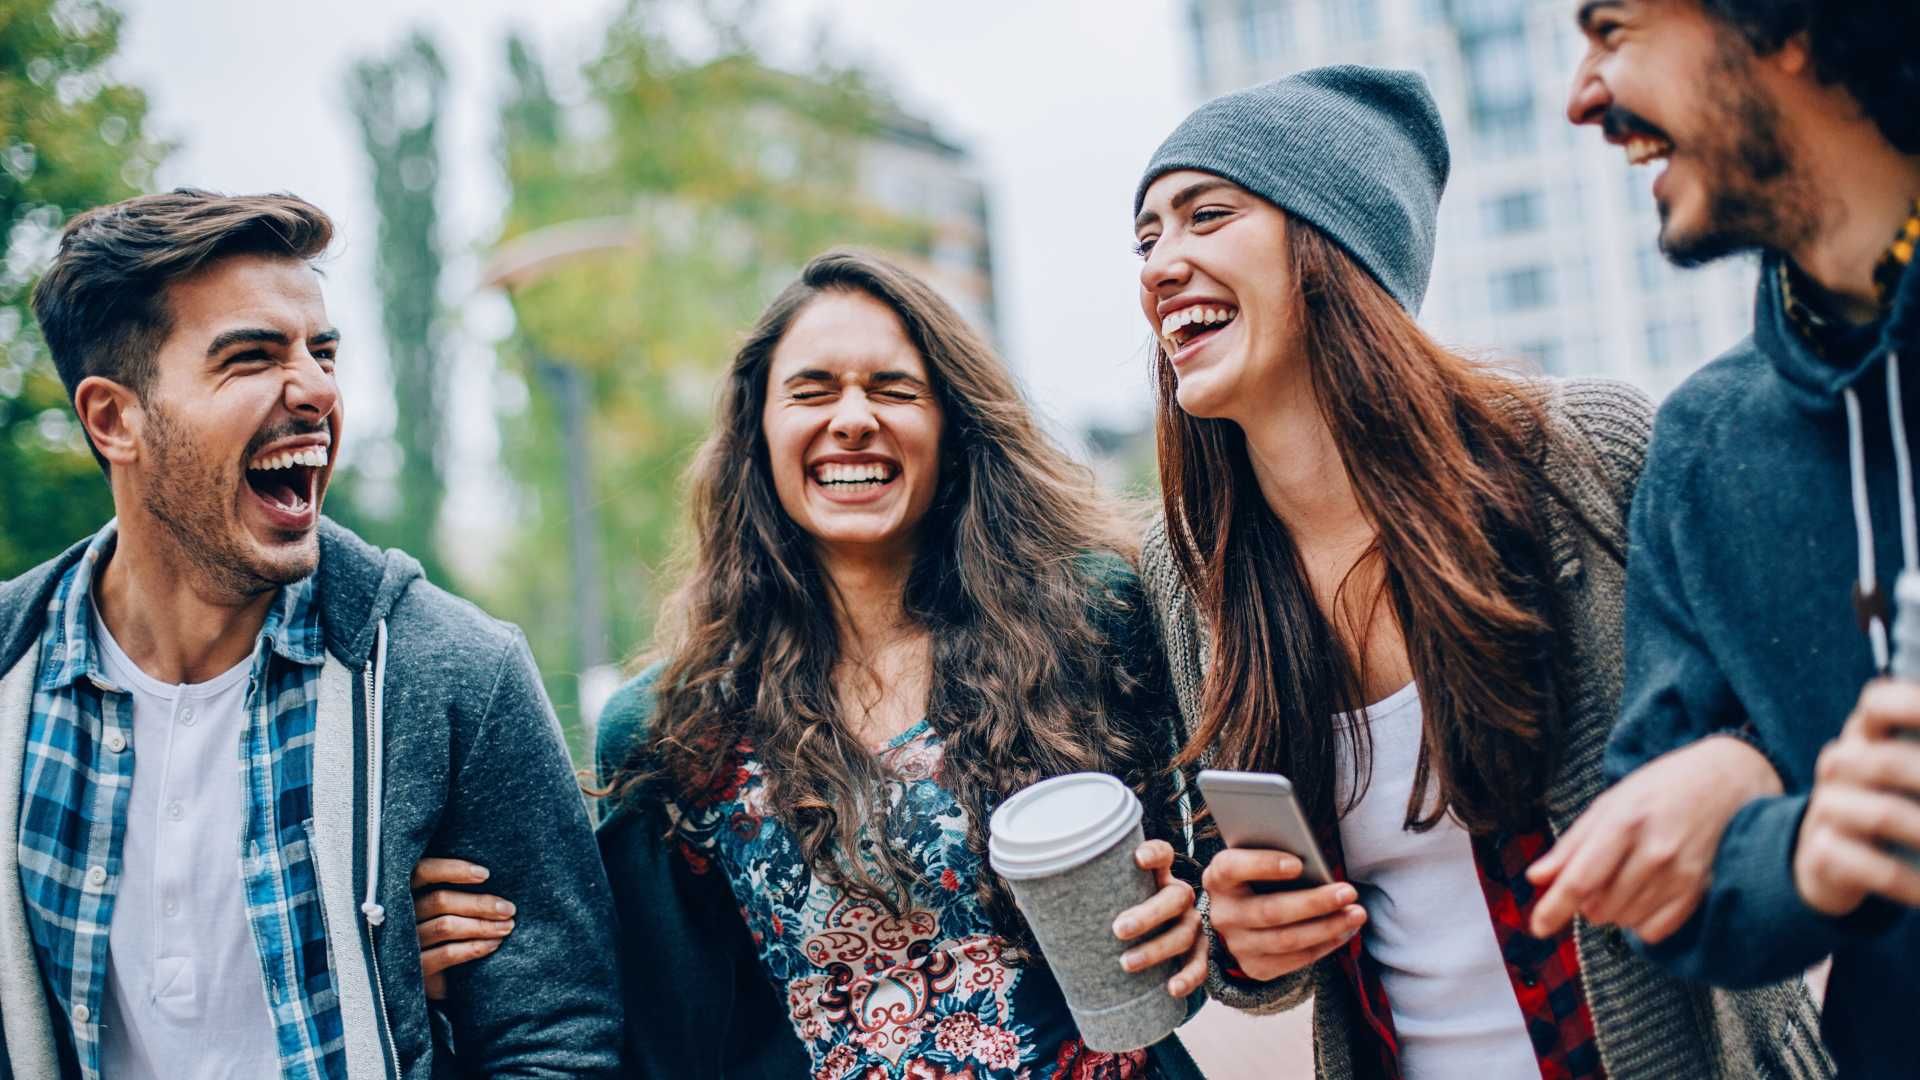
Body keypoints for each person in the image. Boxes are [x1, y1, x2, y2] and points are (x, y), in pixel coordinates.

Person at [1130, 67, 1826, 1078]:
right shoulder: (1189, 566)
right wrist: (1241, 936)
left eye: (1206, 217)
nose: (1161, 266)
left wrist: (1736, 774)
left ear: (1335, 244)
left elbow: (1788, 722)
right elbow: (1251, 936)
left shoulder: (1584, 454)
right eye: (1147, 239)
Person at [422, 249, 1209, 1078]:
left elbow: (1202, 904)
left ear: (952, 424)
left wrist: (1198, 928)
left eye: (894, 389)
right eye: (812, 390)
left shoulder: (1090, 623)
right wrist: (433, 973)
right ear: (757, 435)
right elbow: (638, 1034)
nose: (854, 418)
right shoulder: (675, 732)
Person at [0, 190, 622, 1079]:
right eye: (251, 359)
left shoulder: (453, 678)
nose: (318, 390)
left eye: (323, 352)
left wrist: (385, 974)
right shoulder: (10, 681)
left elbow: (559, 1039)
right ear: (114, 419)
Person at [1548, 1, 1920, 1075]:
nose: (1584, 97)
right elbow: (1665, 884)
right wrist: (1801, 844)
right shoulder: (1708, 446)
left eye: (1613, 31)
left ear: (1788, 23)